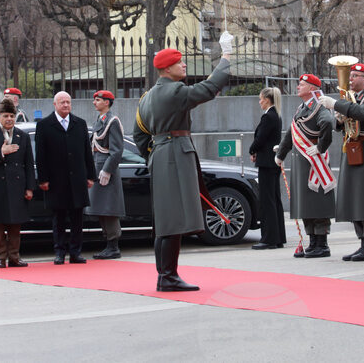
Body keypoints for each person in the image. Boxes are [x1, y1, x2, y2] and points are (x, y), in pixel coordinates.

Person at [134, 33, 234, 292]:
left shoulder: (146, 97)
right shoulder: (174, 91)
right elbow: (210, 89)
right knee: (173, 220)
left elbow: (138, 134)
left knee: (166, 220)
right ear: (167, 68)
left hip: (161, 154)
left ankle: (165, 275)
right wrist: (226, 57)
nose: (184, 65)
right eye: (180, 63)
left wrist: (153, 155)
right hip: (175, 154)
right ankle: (168, 277)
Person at [320, 62, 364, 262]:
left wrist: (337, 105)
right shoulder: (354, 98)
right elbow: (341, 125)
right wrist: (340, 118)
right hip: (354, 149)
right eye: (350, 75)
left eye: (355, 76)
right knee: (355, 199)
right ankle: (363, 242)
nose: (350, 79)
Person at [275, 74, 336, 258]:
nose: (298, 87)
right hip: (302, 161)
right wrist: (281, 154)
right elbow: (291, 133)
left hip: (314, 163)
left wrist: (320, 147)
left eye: (302, 85)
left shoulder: (318, 107)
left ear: (311, 88)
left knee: (317, 202)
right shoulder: (302, 108)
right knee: (306, 203)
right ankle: (312, 242)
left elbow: (327, 122)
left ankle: (322, 244)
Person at [35, 91, 97, 264]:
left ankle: (76, 252)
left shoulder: (79, 124)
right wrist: (43, 179)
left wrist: (90, 176)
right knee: (59, 218)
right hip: (56, 180)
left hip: (77, 178)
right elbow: (40, 156)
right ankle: (59, 252)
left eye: (68, 102)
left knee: (77, 217)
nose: (65, 105)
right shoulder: (45, 125)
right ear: (55, 104)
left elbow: (87, 152)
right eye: (62, 102)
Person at [0, 98, 34, 268]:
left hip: (17, 186)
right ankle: (0, 258)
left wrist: (30, 188)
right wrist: (0, 152)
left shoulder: (22, 136)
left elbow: (29, 164)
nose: (9, 119)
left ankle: (15, 257)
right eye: (5, 116)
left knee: (15, 224)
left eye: (12, 115)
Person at [87, 89, 126, 259]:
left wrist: (107, 170)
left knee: (109, 208)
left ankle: (113, 245)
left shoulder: (113, 121)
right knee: (101, 208)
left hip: (106, 168)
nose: (95, 102)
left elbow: (117, 150)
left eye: (98, 100)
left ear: (107, 102)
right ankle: (108, 243)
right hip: (98, 166)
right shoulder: (100, 120)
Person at [249, 87, 285, 250]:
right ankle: (278, 237)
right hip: (273, 162)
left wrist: (252, 149)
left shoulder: (268, 117)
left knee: (267, 200)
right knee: (274, 199)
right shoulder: (275, 115)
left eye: (260, 99)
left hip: (266, 162)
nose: (259, 102)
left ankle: (269, 238)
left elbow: (260, 138)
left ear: (267, 99)